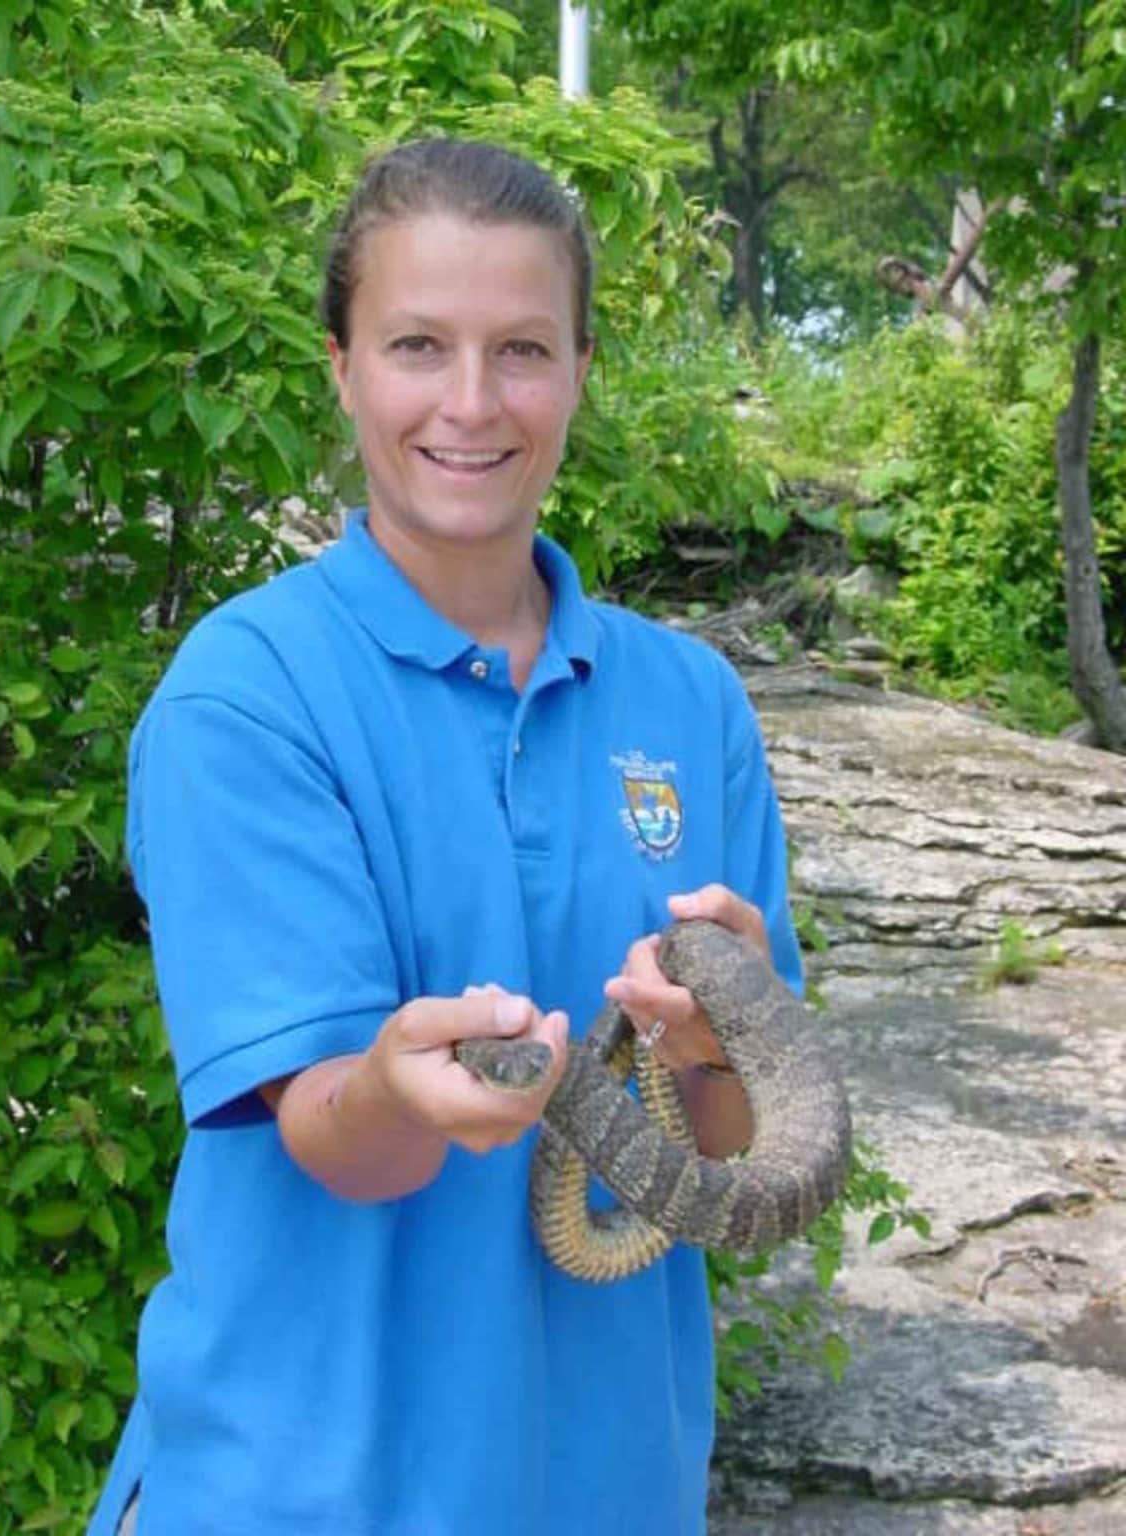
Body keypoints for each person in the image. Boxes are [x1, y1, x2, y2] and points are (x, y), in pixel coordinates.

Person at [88, 137, 803, 1536]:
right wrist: (398, 1093)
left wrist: (721, 1038)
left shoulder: (690, 701)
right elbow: (342, 1145)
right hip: (298, 1493)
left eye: (522, 350)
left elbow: (731, 1159)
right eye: (418, 344)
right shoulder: (249, 694)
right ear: (342, 367)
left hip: (613, 1494)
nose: (471, 403)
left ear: (582, 368)